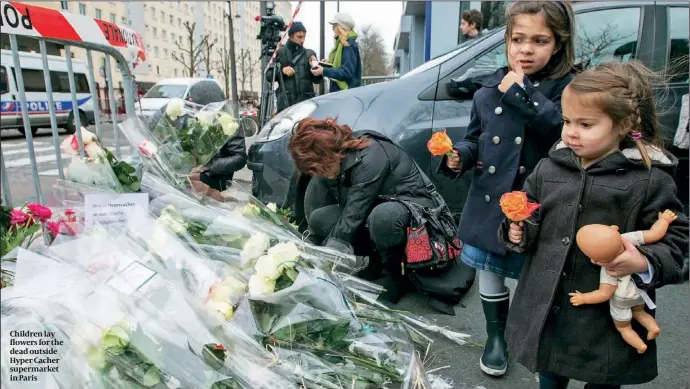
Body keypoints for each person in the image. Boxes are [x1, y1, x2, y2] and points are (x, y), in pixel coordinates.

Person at [499, 61, 688, 389]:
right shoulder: (548, 169)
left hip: (605, 317)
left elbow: (677, 237)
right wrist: (518, 228)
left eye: (586, 124)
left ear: (624, 124)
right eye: (567, 121)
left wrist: (643, 261)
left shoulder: (648, 180)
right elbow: (529, 213)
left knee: (602, 378)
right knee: (549, 371)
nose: (571, 131)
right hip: (550, 302)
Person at [438, 1, 576, 377]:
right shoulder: (487, 89)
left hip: (539, 201)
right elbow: (476, 139)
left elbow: (562, 132)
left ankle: (534, 338)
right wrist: (459, 156)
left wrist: (520, 92)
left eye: (539, 40)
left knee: (537, 276)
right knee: (490, 270)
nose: (526, 49)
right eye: (517, 39)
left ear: (559, 44)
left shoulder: (569, 87)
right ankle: (496, 337)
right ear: (506, 41)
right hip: (492, 197)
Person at [288, 117, 436, 303]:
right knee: (320, 218)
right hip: (374, 208)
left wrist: (324, 268)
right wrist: (305, 252)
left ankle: (397, 276)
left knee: (383, 217)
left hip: (414, 212)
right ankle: (373, 263)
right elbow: (334, 213)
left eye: (317, 169)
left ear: (326, 154)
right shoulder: (336, 159)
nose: (318, 175)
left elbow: (352, 217)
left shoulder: (370, 157)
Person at [148, 90, 247, 192]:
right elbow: (157, 130)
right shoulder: (185, 114)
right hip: (185, 175)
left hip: (216, 180)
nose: (197, 110)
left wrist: (208, 166)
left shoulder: (228, 121)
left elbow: (240, 158)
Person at [267, 21, 322, 113]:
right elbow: (268, 75)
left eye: (304, 37)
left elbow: (317, 80)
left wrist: (316, 67)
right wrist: (281, 71)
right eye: (299, 37)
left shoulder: (310, 54)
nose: (302, 40)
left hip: (306, 105)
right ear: (291, 35)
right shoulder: (280, 52)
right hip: (286, 104)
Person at [310, 12, 361, 92]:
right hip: (344, 93)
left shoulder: (348, 45)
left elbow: (346, 72)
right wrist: (326, 65)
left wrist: (323, 70)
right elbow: (342, 67)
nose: (333, 29)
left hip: (344, 94)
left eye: (334, 26)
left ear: (340, 27)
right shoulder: (344, 44)